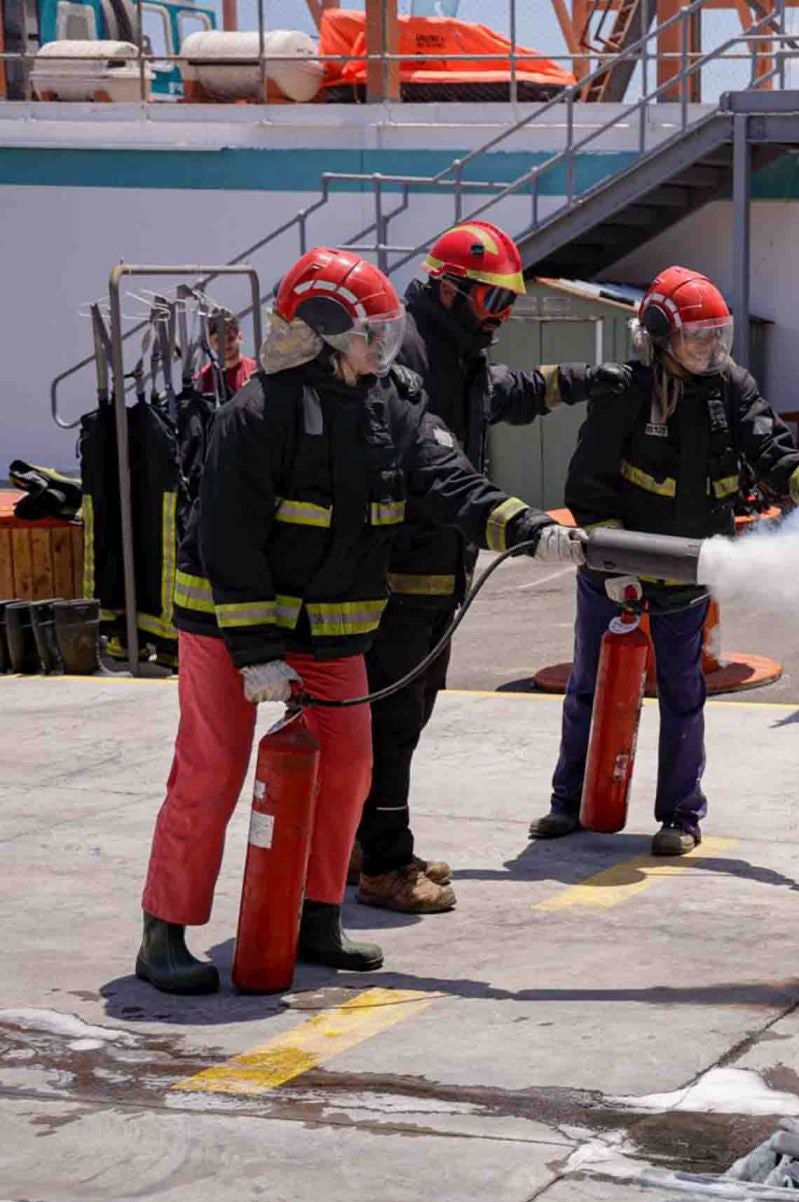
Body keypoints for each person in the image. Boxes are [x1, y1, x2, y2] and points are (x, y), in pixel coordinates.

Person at [135, 247, 583, 996]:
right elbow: (228, 541)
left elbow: (448, 478)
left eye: (386, 329)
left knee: (348, 769)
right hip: (227, 626)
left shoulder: (389, 402)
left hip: (330, 632)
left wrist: (527, 526)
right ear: (322, 331)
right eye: (370, 332)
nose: (385, 344)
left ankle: (315, 917)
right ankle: (165, 930)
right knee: (212, 771)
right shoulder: (256, 414)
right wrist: (256, 654)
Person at [354, 220, 633, 915]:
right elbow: (441, 473)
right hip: (400, 578)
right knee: (391, 722)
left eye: (509, 303)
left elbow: (500, 394)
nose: (501, 318)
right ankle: (383, 863)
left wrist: (578, 380)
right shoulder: (410, 357)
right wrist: (524, 525)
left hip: (436, 574)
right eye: (491, 302)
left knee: (406, 720)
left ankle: (367, 841)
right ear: (450, 291)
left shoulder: (454, 350)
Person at [530, 266, 799, 855]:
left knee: (682, 692)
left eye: (716, 336)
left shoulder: (732, 385)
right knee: (589, 688)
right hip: (615, 565)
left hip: (691, 566)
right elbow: (589, 485)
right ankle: (567, 803)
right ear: (657, 335)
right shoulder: (624, 390)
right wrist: (615, 560)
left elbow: (770, 446)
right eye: (695, 338)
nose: (710, 350)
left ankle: (680, 815)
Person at [192, 310, 258, 400]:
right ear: (210, 343)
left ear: (240, 337)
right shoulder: (202, 380)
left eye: (230, 338)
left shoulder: (256, 371)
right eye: (218, 340)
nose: (226, 345)